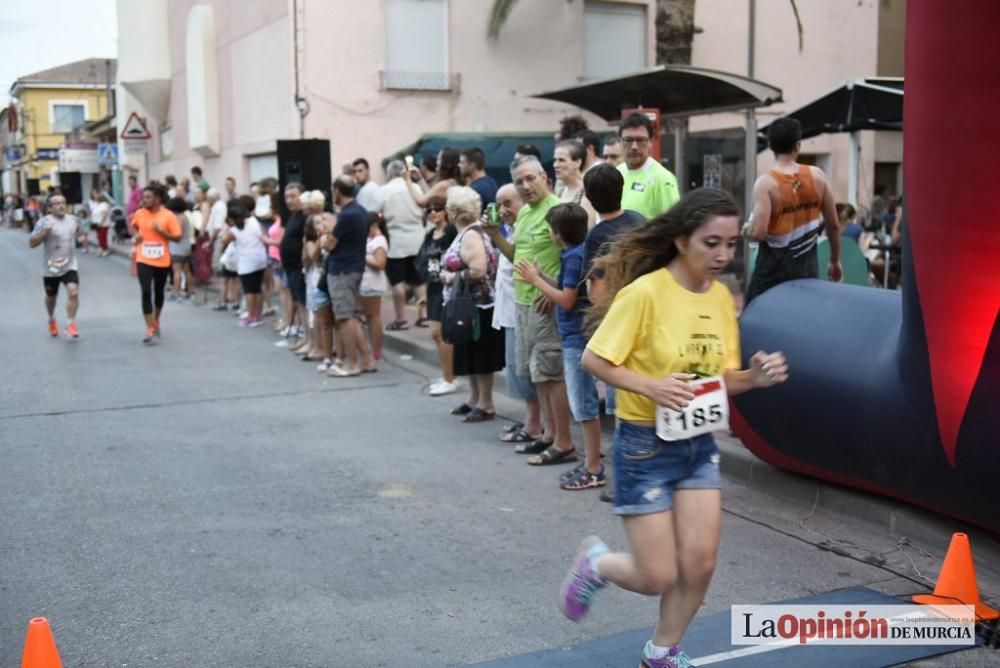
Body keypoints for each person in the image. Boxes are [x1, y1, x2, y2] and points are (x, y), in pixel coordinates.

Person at [559, 189, 789, 668]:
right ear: (682, 241)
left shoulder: (722, 298)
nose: (724, 254)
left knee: (701, 562)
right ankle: (596, 563)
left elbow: (720, 378)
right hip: (644, 446)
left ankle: (661, 652)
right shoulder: (645, 293)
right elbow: (595, 359)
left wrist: (755, 378)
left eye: (731, 243)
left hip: (697, 445)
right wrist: (652, 386)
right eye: (712, 243)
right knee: (656, 575)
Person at [484, 156, 576, 465]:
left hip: (543, 303)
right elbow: (518, 255)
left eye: (530, 178)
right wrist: (495, 234)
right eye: (519, 181)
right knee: (538, 375)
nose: (525, 186)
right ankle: (548, 435)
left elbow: (576, 255)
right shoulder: (524, 214)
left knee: (551, 373)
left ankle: (564, 442)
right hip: (522, 303)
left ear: (545, 177)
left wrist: (556, 290)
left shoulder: (557, 211)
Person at [516, 203, 604, 487]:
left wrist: (535, 282)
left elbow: (566, 299)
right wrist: (542, 276)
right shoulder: (574, 253)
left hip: (576, 338)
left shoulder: (574, 257)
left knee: (583, 406)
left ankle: (593, 467)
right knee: (583, 404)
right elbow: (571, 290)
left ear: (556, 234)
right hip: (573, 335)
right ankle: (590, 463)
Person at [744, 117, 842, 303]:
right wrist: (835, 261)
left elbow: (758, 233)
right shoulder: (818, 176)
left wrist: (747, 228)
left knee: (752, 326)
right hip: (807, 275)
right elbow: (834, 225)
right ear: (798, 145)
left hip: (771, 279)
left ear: (770, 145)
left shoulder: (766, 184)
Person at [440, 186, 504, 422]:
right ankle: (474, 398)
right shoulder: (468, 232)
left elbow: (478, 270)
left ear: (454, 211)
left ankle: (485, 403)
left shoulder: (471, 235)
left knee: (480, 355)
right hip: (471, 304)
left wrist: (449, 277)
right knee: (470, 352)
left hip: (479, 305)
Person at [489, 184, 545, 444]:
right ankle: (530, 421)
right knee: (517, 367)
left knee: (526, 370)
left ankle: (534, 424)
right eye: (500, 205)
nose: (503, 210)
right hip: (511, 306)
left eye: (508, 204)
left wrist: (495, 236)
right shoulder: (511, 228)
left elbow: (522, 262)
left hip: (525, 305)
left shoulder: (529, 225)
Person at [324, 176, 373, 377]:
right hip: (355, 267)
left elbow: (330, 244)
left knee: (345, 318)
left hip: (342, 270)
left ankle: (352, 364)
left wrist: (325, 238)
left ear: (337, 190)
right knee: (351, 316)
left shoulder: (346, 215)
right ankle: (367, 361)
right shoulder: (360, 211)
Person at [374, 160, 427, 331]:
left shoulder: (384, 190)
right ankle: (423, 316)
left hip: (396, 241)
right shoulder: (415, 188)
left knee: (398, 281)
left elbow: (375, 213)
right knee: (419, 280)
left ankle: (401, 318)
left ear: (389, 173)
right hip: (418, 238)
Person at [418, 196, 460, 396]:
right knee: (436, 334)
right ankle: (448, 374)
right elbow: (422, 262)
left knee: (441, 333)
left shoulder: (452, 232)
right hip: (433, 287)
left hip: (448, 286)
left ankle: (449, 378)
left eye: (437, 208)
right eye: (429, 209)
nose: (433, 212)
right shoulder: (429, 235)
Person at [132, 182, 183, 344]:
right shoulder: (140, 213)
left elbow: (178, 237)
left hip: (162, 259)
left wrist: (162, 232)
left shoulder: (168, 215)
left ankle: (156, 319)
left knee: (158, 292)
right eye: (143, 197)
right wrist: (136, 236)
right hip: (143, 258)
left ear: (157, 199)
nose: (144, 200)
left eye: (148, 197)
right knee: (146, 291)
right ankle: (149, 328)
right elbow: (134, 227)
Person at [29, 194, 84, 339]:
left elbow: (79, 233)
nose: (61, 206)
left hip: (69, 264)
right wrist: (45, 232)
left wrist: (81, 237)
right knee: (51, 297)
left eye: (63, 202)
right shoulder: (44, 222)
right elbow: (32, 243)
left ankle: (70, 323)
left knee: (73, 292)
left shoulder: (73, 220)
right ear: (50, 208)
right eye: (57, 203)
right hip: (51, 267)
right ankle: (51, 318)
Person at [618, 113, 680, 220]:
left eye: (640, 140)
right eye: (628, 140)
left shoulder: (662, 178)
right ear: (620, 141)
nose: (634, 147)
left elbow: (674, 224)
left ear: (651, 141)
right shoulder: (618, 171)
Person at [220, 203, 268, 327]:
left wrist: (227, 228)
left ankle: (251, 317)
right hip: (260, 258)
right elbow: (263, 233)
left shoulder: (234, 230)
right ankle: (258, 315)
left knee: (249, 291)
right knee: (257, 288)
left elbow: (223, 242)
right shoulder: (253, 221)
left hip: (247, 262)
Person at [304, 213, 335, 367]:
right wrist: (319, 240)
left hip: (329, 280)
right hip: (317, 280)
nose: (320, 225)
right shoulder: (311, 242)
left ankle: (328, 350)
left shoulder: (329, 237)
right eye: (317, 223)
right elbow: (314, 257)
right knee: (318, 315)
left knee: (330, 318)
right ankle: (319, 347)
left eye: (323, 221)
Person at [279, 183, 308, 346]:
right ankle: (304, 335)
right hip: (290, 267)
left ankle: (307, 337)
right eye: (287, 197)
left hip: (299, 267)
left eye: (293, 196)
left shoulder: (305, 216)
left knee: (303, 303)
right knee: (297, 301)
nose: (289, 200)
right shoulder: (293, 216)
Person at [360, 212, 390, 363]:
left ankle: (376, 351)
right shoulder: (370, 239)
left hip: (372, 283)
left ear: (374, 226)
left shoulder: (379, 241)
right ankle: (371, 349)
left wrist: (362, 256)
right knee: (368, 317)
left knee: (373, 316)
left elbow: (380, 263)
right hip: (364, 282)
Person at [165, 198, 195, 302]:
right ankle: (191, 292)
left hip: (178, 247)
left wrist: (166, 233)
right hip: (186, 246)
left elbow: (177, 233)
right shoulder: (185, 216)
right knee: (187, 270)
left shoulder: (179, 218)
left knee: (176, 271)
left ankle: (176, 293)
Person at [459, 147, 498, 212]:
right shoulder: (490, 182)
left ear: (472, 166)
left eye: (462, 163)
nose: (459, 165)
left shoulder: (478, 189)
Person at [554, 140, 586, 204]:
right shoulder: (560, 192)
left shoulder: (587, 192)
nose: (555, 165)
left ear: (577, 163)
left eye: (561, 160)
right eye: (555, 160)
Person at [88, 189, 111, 256]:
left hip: (103, 224)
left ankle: (105, 249)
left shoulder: (104, 204)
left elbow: (104, 214)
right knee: (99, 237)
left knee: (103, 237)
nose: (97, 198)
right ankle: (101, 248)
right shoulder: (97, 204)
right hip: (96, 223)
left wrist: (101, 222)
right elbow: (93, 212)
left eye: (98, 198)